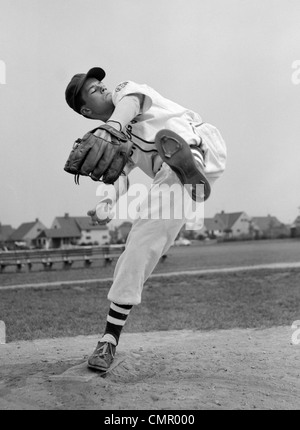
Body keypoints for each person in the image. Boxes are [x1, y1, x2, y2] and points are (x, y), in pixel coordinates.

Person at [65, 67, 227, 371]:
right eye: (92, 89)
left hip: (198, 137)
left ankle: (191, 164)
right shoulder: (118, 140)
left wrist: (111, 126)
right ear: (86, 110)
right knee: (141, 244)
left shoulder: (124, 93)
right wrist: (107, 204)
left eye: (100, 83)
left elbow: (132, 103)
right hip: (174, 175)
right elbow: (119, 175)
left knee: (175, 145)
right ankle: (109, 340)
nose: (101, 88)